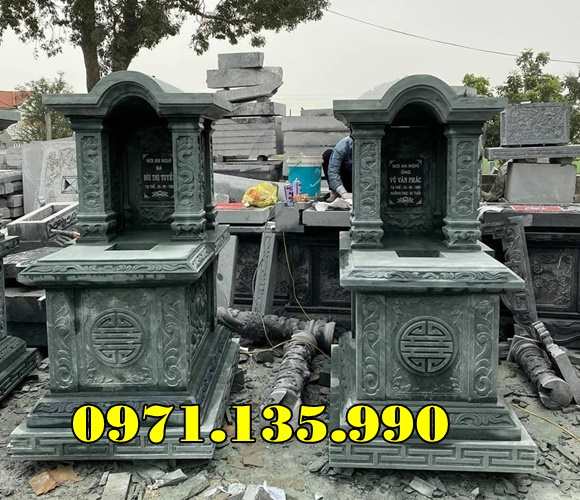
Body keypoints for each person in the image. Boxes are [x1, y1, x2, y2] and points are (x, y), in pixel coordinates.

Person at [322, 135, 353, 200]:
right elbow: (333, 171)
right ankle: (335, 192)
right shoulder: (344, 145)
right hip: (346, 179)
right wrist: (343, 193)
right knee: (328, 154)